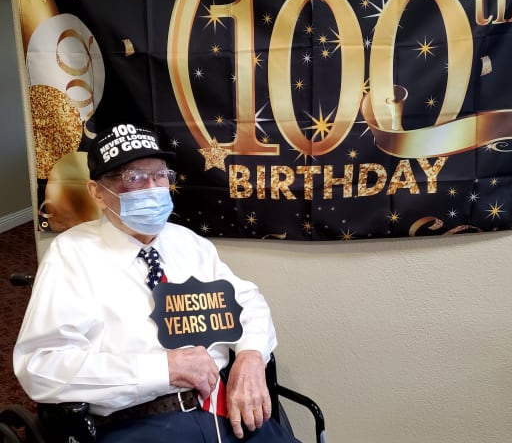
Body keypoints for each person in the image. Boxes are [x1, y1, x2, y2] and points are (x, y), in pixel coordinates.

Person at [13, 123, 301, 443]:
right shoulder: (71, 256)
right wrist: (162, 369)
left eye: (160, 175)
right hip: (141, 423)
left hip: (226, 410)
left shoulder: (189, 245)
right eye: (133, 178)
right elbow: (42, 367)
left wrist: (250, 356)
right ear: (97, 192)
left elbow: (247, 300)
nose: (152, 187)